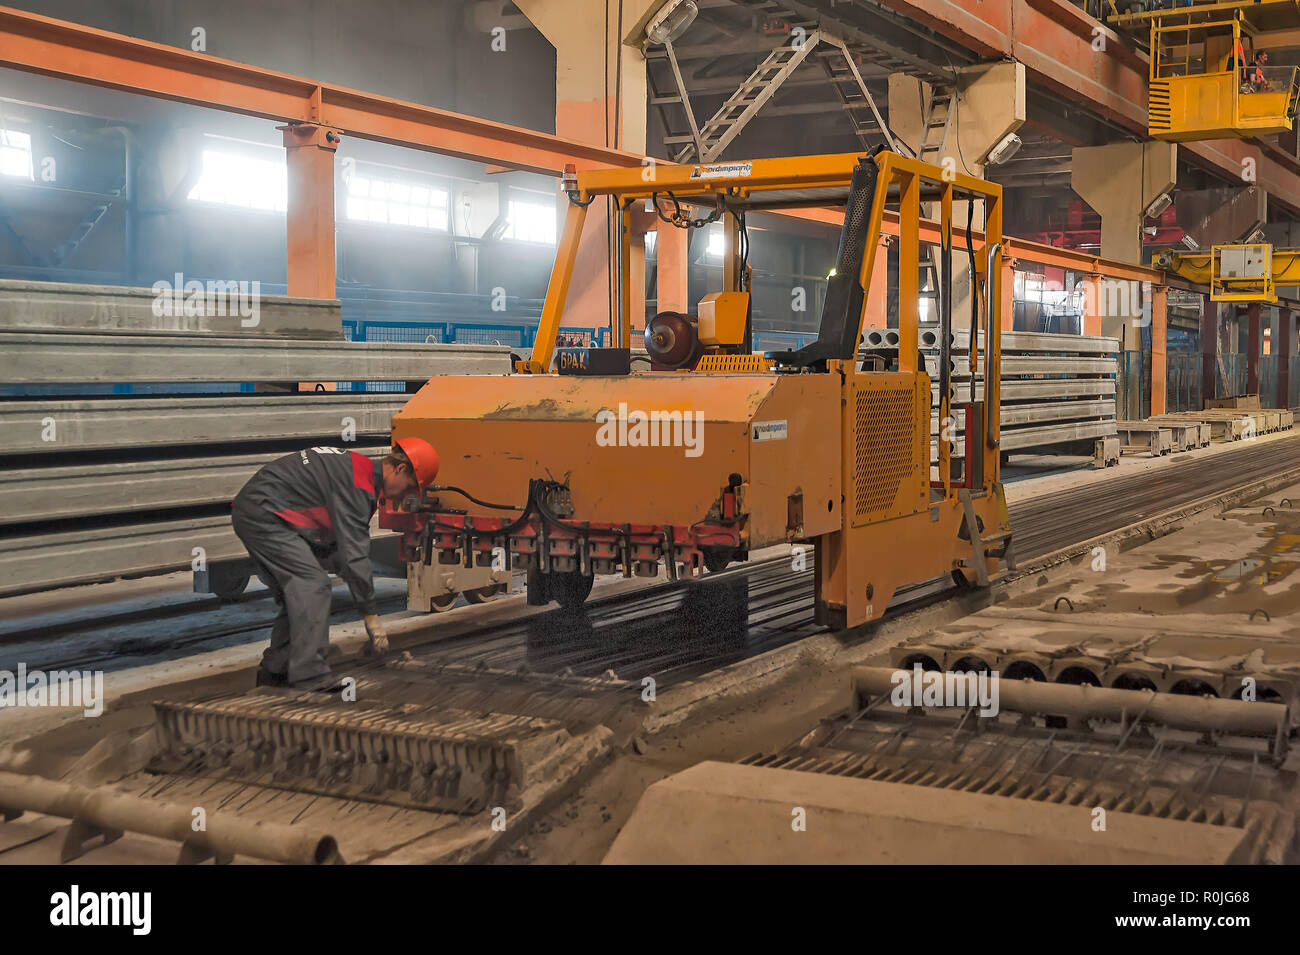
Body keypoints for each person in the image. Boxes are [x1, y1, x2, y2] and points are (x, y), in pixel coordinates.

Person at [231, 438, 440, 689]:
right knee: (313, 585)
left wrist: (350, 573)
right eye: (409, 488)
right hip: (265, 515)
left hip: (260, 510)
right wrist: (370, 614)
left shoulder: (358, 471)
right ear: (400, 469)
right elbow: (355, 555)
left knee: (297, 594)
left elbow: (342, 551)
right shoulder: (358, 485)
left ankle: (276, 670)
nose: (405, 496)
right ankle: (310, 675)